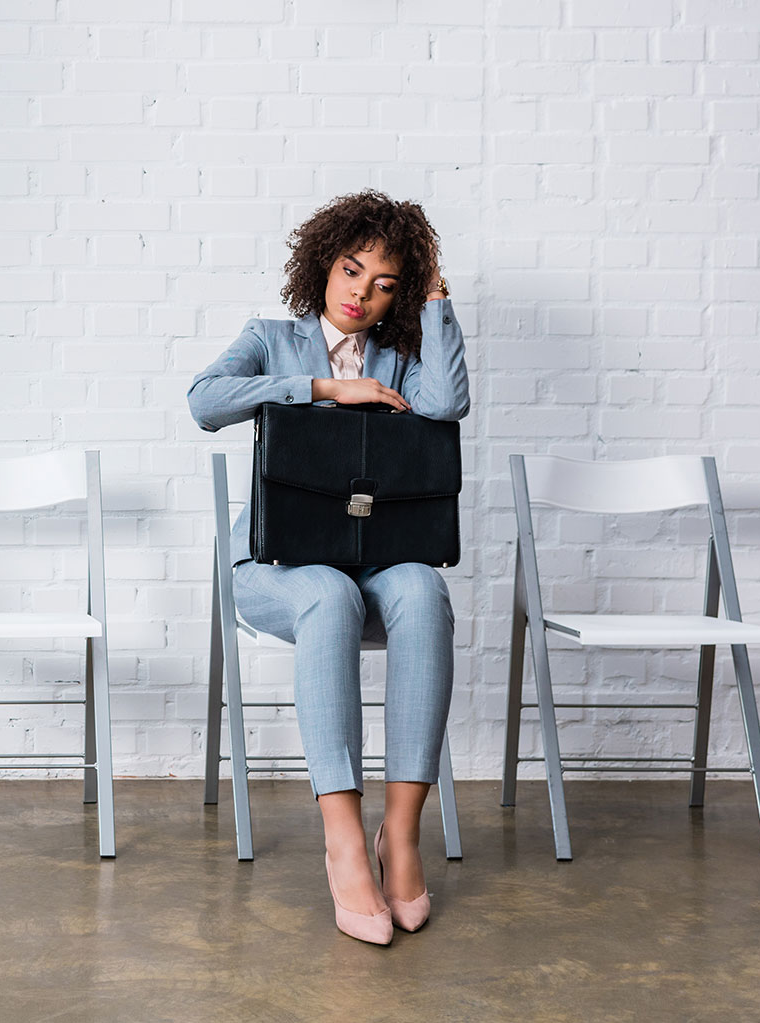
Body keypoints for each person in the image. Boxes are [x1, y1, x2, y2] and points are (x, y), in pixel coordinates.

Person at [188, 190, 469, 945]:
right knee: (327, 596)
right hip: (275, 565)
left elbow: (447, 405)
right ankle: (344, 839)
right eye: (352, 271)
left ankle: (400, 835)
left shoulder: (402, 358)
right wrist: (321, 388)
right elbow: (204, 401)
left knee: (422, 585)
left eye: (385, 285)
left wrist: (434, 295)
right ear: (323, 264)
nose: (360, 293)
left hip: (372, 559)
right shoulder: (271, 339)